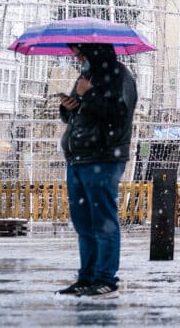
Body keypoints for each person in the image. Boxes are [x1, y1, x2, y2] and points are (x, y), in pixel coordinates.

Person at [56, 43, 137, 299]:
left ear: (94, 51)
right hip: (78, 158)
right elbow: (77, 115)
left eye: (81, 54)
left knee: (102, 220)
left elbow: (119, 114)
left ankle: (105, 279)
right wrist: (69, 106)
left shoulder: (120, 76)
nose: (78, 59)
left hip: (102, 157)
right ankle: (87, 277)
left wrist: (88, 96)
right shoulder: (86, 76)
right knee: (84, 222)